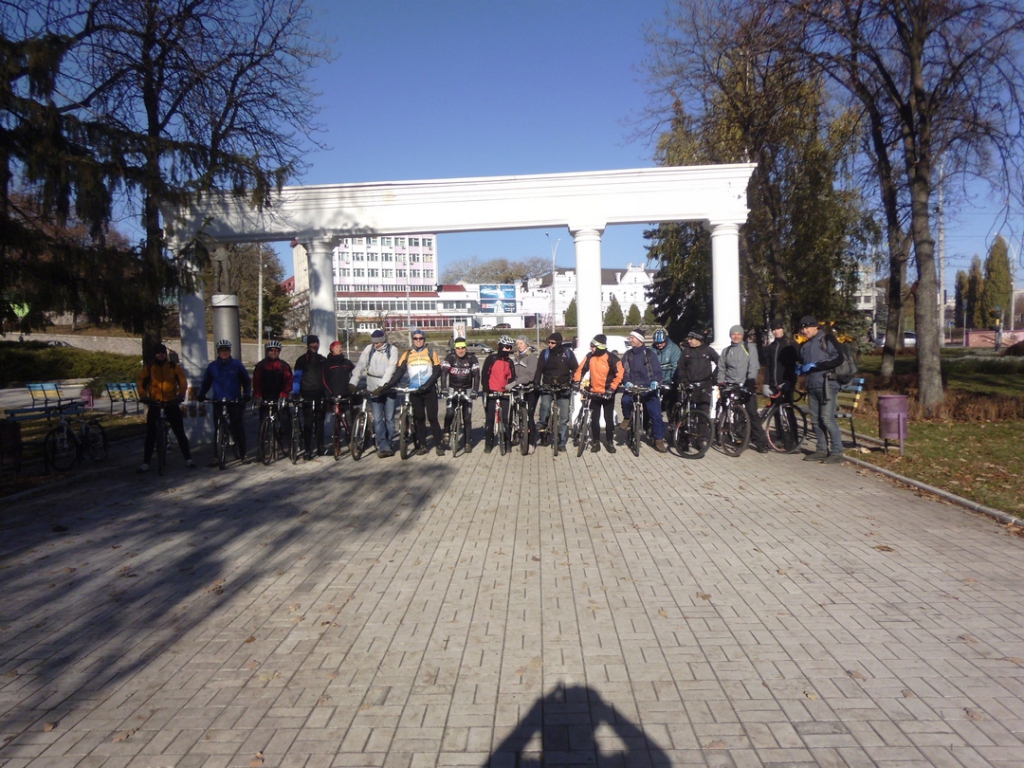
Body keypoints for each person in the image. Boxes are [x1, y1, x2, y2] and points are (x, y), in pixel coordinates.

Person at [136, 342, 195, 471]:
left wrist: (180, 395)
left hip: (171, 402)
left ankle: (188, 459)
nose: (161, 355)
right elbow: (141, 383)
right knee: (150, 434)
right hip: (155, 403)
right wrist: (144, 397)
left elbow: (183, 382)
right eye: (158, 353)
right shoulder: (149, 368)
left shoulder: (173, 367)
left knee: (179, 432)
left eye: (163, 352)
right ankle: (146, 463)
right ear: (155, 354)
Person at [384, 329, 443, 455]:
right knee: (419, 418)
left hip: (429, 390)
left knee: (432, 418)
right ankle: (423, 445)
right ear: (413, 340)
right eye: (415, 338)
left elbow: (437, 371)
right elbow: (400, 371)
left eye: (420, 338)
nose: (418, 341)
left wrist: (427, 385)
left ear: (424, 340)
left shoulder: (431, 353)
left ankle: (438, 445)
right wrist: (390, 384)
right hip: (414, 391)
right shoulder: (407, 354)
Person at [796, 315, 846, 463]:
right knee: (816, 420)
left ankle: (837, 452)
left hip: (827, 385)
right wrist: (800, 368)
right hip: (812, 385)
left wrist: (817, 365)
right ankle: (821, 450)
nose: (804, 331)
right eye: (802, 329)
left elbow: (838, 358)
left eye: (807, 328)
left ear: (815, 327)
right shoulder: (805, 346)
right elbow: (805, 364)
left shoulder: (827, 339)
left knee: (827, 418)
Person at [717, 324, 769, 453]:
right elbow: (721, 368)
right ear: (730, 336)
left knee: (752, 414)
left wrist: (751, 379)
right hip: (732, 385)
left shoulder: (749, 347)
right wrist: (721, 382)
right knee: (738, 415)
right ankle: (742, 439)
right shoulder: (726, 351)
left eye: (738, 334)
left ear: (742, 335)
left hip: (746, 384)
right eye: (733, 334)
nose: (736, 336)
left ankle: (760, 442)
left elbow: (754, 365)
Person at [198, 339, 252, 464]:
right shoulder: (213, 366)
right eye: (222, 350)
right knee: (218, 428)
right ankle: (217, 456)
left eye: (226, 350)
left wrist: (246, 395)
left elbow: (246, 381)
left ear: (229, 351)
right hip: (218, 400)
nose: (224, 352)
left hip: (234, 400)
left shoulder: (236, 365)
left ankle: (243, 454)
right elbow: (206, 382)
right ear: (218, 351)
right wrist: (201, 394)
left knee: (238, 428)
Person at [619, 329, 668, 453]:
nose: (630, 339)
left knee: (656, 415)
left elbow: (658, 372)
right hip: (633, 388)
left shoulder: (650, 354)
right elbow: (624, 372)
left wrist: (655, 382)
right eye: (630, 337)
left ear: (639, 340)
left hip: (648, 389)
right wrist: (627, 382)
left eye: (632, 337)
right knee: (625, 401)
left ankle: (659, 439)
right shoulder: (628, 355)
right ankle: (627, 418)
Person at [573, 334, 623, 453]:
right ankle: (596, 442)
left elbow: (619, 375)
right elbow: (580, 369)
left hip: (607, 394)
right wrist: (576, 381)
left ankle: (610, 442)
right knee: (594, 419)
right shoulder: (589, 357)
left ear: (599, 346)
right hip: (594, 393)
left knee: (608, 418)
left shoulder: (612, 358)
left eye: (592, 346)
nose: (590, 348)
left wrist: (612, 389)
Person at [353, 329, 400, 458]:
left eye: (378, 343)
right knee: (378, 419)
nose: (376, 345)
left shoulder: (392, 350)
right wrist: (353, 382)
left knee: (389, 419)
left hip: (389, 388)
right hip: (373, 388)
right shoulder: (369, 349)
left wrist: (382, 386)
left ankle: (389, 442)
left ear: (383, 341)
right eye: (374, 342)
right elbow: (360, 366)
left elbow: (391, 369)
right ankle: (383, 446)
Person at [534, 331, 578, 451]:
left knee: (563, 417)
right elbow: (539, 370)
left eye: (552, 343)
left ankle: (562, 442)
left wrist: (574, 382)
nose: (550, 345)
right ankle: (543, 423)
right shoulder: (545, 353)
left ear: (559, 343)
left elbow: (576, 369)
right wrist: (536, 383)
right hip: (548, 385)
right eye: (548, 342)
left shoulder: (567, 353)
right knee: (545, 405)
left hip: (564, 387)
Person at [440, 337, 480, 452]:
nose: (461, 350)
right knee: (449, 413)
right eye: (458, 348)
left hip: (467, 389)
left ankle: (467, 442)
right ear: (455, 348)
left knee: (467, 417)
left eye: (463, 348)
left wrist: (475, 390)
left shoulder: (472, 358)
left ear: (466, 348)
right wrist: (444, 388)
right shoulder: (450, 357)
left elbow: (476, 375)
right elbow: (444, 373)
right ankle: (446, 432)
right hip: (453, 388)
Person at [764, 320, 800, 445]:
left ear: (783, 329)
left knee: (788, 411)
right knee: (775, 412)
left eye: (778, 329)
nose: (776, 331)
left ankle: (794, 439)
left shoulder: (791, 344)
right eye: (774, 329)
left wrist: (790, 381)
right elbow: (768, 366)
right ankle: (780, 437)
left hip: (786, 383)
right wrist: (766, 383)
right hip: (773, 384)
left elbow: (795, 366)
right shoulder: (771, 347)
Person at [294, 334, 328, 460]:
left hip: (320, 394)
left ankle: (320, 447)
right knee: (308, 423)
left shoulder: (322, 360)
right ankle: (308, 450)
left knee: (320, 422)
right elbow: (297, 378)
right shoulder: (302, 360)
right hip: (307, 393)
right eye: (312, 343)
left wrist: (328, 392)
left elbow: (327, 378)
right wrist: (296, 393)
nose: (315, 345)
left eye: (316, 343)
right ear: (308, 345)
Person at [252, 339, 293, 441]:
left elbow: (289, 381)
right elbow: (256, 382)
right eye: (271, 350)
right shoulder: (261, 365)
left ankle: (290, 445)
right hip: (265, 397)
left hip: (280, 397)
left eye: (276, 350)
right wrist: (258, 395)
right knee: (263, 425)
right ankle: (261, 448)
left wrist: (284, 395)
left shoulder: (284, 366)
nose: (273, 352)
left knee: (285, 422)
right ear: (267, 351)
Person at [481, 335, 516, 453]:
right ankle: (488, 443)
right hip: (491, 392)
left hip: (504, 393)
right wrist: (486, 390)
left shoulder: (510, 362)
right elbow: (485, 375)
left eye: (510, 347)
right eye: (506, 347)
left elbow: (512, 378)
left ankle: (507, 443)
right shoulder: (491, 359)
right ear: (500, 346)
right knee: (490, 420)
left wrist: (509, 389)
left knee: (506, 419)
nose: (508, 349)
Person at [673, 331, 719, 415]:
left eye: (691, 339)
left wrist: (714, 376)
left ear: (698, 339)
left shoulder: (708, 350)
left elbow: (720, 363)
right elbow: (680, 367)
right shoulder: (686, 351)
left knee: (704, 411)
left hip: (705, 385)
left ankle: (703, 423)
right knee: (691, 411)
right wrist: (684, 380)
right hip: (690, 384)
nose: (689, 341)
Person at [323, 340, 356, 450]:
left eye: (340, 347)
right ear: (332, 349)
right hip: (334, 394)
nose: (339, 349)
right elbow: (325, 379)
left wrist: (353, 386)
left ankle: (351, 440)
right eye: (337, 347)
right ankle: (337, 442)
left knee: (349, 418)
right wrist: (329, 393)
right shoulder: (327, 363)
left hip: (346, 394)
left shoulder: (346, 362)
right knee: (335, 419)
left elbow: (355, 373)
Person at [512, 335, 539, 445]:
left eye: (521, 343)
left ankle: (531, 443)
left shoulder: (531, 357)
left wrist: (515, 382)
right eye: (517, 344)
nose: (519, 346)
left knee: (529, 415)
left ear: (527, 344)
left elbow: (530, 376)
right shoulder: (516, 357)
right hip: (518, 389)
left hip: (530, 389)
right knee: (517, 411)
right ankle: (517, 432)